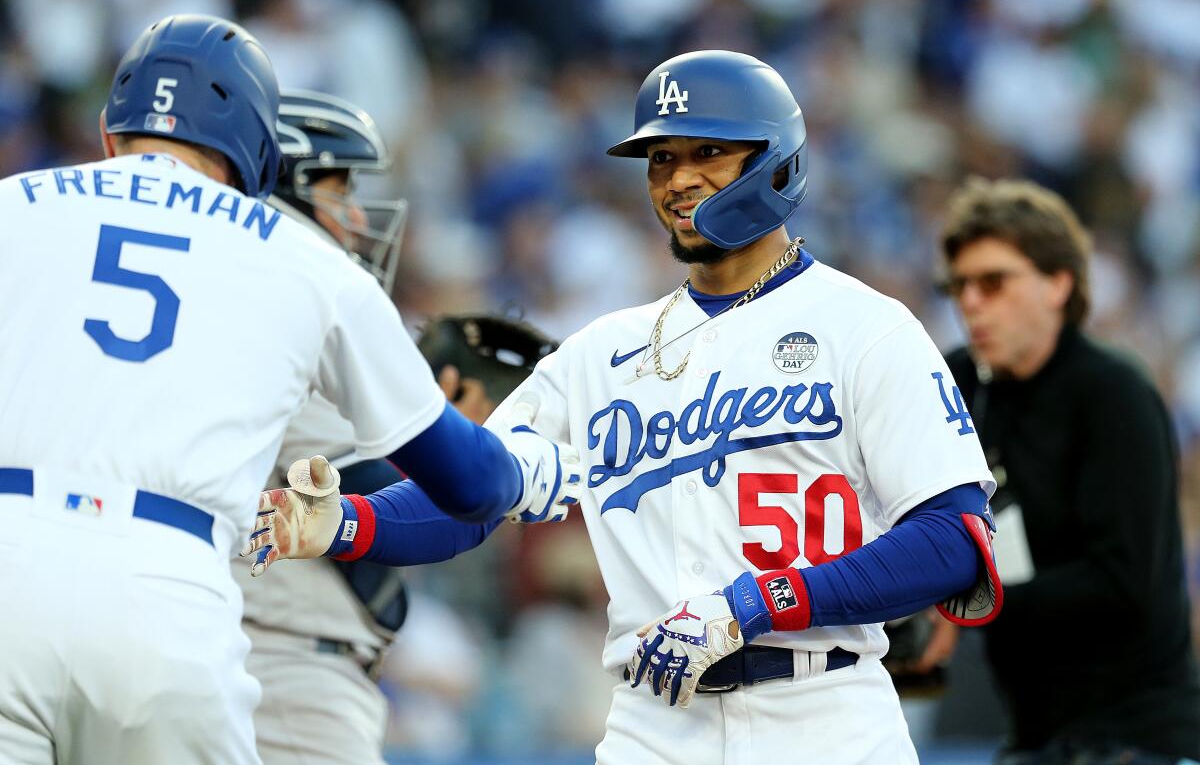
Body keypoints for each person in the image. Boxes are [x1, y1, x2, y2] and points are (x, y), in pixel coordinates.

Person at [251, 50, 1004, 765]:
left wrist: (754, 606)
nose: (678, 179)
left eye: (707, 152)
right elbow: (481, 495)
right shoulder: (601, 353)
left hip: (826, 713)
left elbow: (956, 541)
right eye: (661, 158)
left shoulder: (865, 327)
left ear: (775, 157)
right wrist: (350, 522)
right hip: (655, 724)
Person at [0, 14, 578, 765]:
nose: (357, 211)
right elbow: (468, 485)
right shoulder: (300, 259)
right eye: (341, 187)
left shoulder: (16, 202)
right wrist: (533, 467)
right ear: (258, 152)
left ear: (113, 132)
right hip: (165, 590)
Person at [238, 90, 561, 765]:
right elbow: (424, 502)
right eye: (338, 188)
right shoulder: (297, 319)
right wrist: (491, 450)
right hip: (285, 671)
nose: (356, 214)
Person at [937, 177, 1200, 765]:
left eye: (994, 282)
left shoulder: (1112, 392)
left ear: (1059, 283)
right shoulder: (957, 384)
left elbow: (1122, 584)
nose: (970, 302)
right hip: (1028, 729)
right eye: (959, 286)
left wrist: (964, 599)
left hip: (1135, 734)